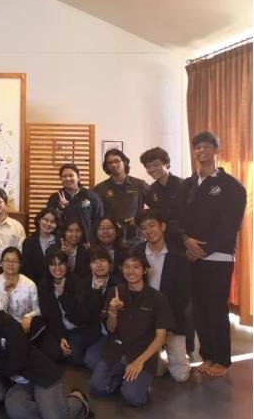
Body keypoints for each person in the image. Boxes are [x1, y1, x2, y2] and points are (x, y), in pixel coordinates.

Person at [0, 286, 92, 419]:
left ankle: (78, 401)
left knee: (54, 417)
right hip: (18, 383)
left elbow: (15, 365)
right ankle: (47, 408)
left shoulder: (7, 323)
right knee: (17, 412)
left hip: (40, 375)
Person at [178, 131, 246, 378]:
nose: (202, 151)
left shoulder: (231, 185)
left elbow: (230, 226)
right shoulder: (187, 185)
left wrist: (201, 250)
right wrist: (186, 241)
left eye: (207, 146)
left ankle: (222, 359)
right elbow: (177, 218)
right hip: (190, 255)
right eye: (198, 147)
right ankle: (207, 355)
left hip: (218, 257)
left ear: (217, 150)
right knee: (198, 309)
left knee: (216, 309)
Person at [89, 250, 173, 407]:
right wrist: (113, 313)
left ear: (144, 270)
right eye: (126, 267)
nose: (131, 271)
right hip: (116, 351)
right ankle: (122, 380)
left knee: (133, 397)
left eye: (136, 267)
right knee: (96, 388)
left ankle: (133, 384)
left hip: (141, 354)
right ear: (121, 269)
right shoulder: (115, 292)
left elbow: (161, 337)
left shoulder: (158, 298)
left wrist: (139, 362)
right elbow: (111, 329)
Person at [133, 210, 190, 382]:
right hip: (146, 316)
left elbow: (184, 292)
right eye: (143, 228)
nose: (148, 231)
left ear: (163, 226)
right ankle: (159, 359)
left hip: (172, 314)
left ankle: (179, 356)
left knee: (181, 376)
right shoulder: (137, 253)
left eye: (152, 225)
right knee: (156, 372)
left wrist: (167, 318)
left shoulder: (178, 254)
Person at [37, 249, 90, 365]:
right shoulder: (43, 286)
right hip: (57, 327)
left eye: (61, 263)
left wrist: (63, 297)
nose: (57, 268)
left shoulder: (77, 282)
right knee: (53, 353)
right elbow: (49, 316)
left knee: (74, 356)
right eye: (53, 264)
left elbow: (80, 316)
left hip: (76, 327)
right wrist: (61, 337)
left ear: (67, 264)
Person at [74, 247, 120, 370]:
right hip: (89, 329)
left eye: (102, 260)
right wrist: (95, 292)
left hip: (110, 333)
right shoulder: (83, 284)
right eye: (94, 262)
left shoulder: (118, 285)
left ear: (109, 264)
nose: (98, 265)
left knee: (92, 361)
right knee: (75, 356)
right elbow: (83, 315)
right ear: (90, 266)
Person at [93, 149, 148, 248]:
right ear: (106, 166)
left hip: (134, 237)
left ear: (124, 162)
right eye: (110, 163)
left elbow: (156, 208)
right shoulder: (100, 188)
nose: (113, 165)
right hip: (110, 239)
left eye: (117, 161)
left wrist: (139, 218)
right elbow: (93, 212)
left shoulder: (139, 185)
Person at [0, 247, 43, 340]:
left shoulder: (29, 284)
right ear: (1, 263)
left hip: (27, 325)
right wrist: (5, 291)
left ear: (20, 264)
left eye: (15, 261)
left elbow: (38, 309)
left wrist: (29, 317)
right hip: (6, 327)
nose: (10, 264)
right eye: (7, 260)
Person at [47, 164, 104, 240]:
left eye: (71, 175)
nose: (68, 178)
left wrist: (93, 241)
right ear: (61, 179)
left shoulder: (92, 196)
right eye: (64, 176)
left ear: (78, 177)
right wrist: (59, 209)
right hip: (61, 242)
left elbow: (99, 220)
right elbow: (49, 221)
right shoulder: (55, 198)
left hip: (86, 242)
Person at [139, 147, 183, 239]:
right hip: (165, 237)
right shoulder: (151, 190)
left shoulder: (183, 185)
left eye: (155, 165)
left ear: (167, 164)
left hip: (186, 236)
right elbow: (155, 216)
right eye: (148, 166)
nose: (152, 169)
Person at [21, 207, 59, 283]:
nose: (48, 224)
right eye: (46, 220)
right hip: (33, 283)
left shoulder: (60, 241)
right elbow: (25, 267)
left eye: (52, 222)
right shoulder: (28, 241)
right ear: (39, 220)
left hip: (55, 284)